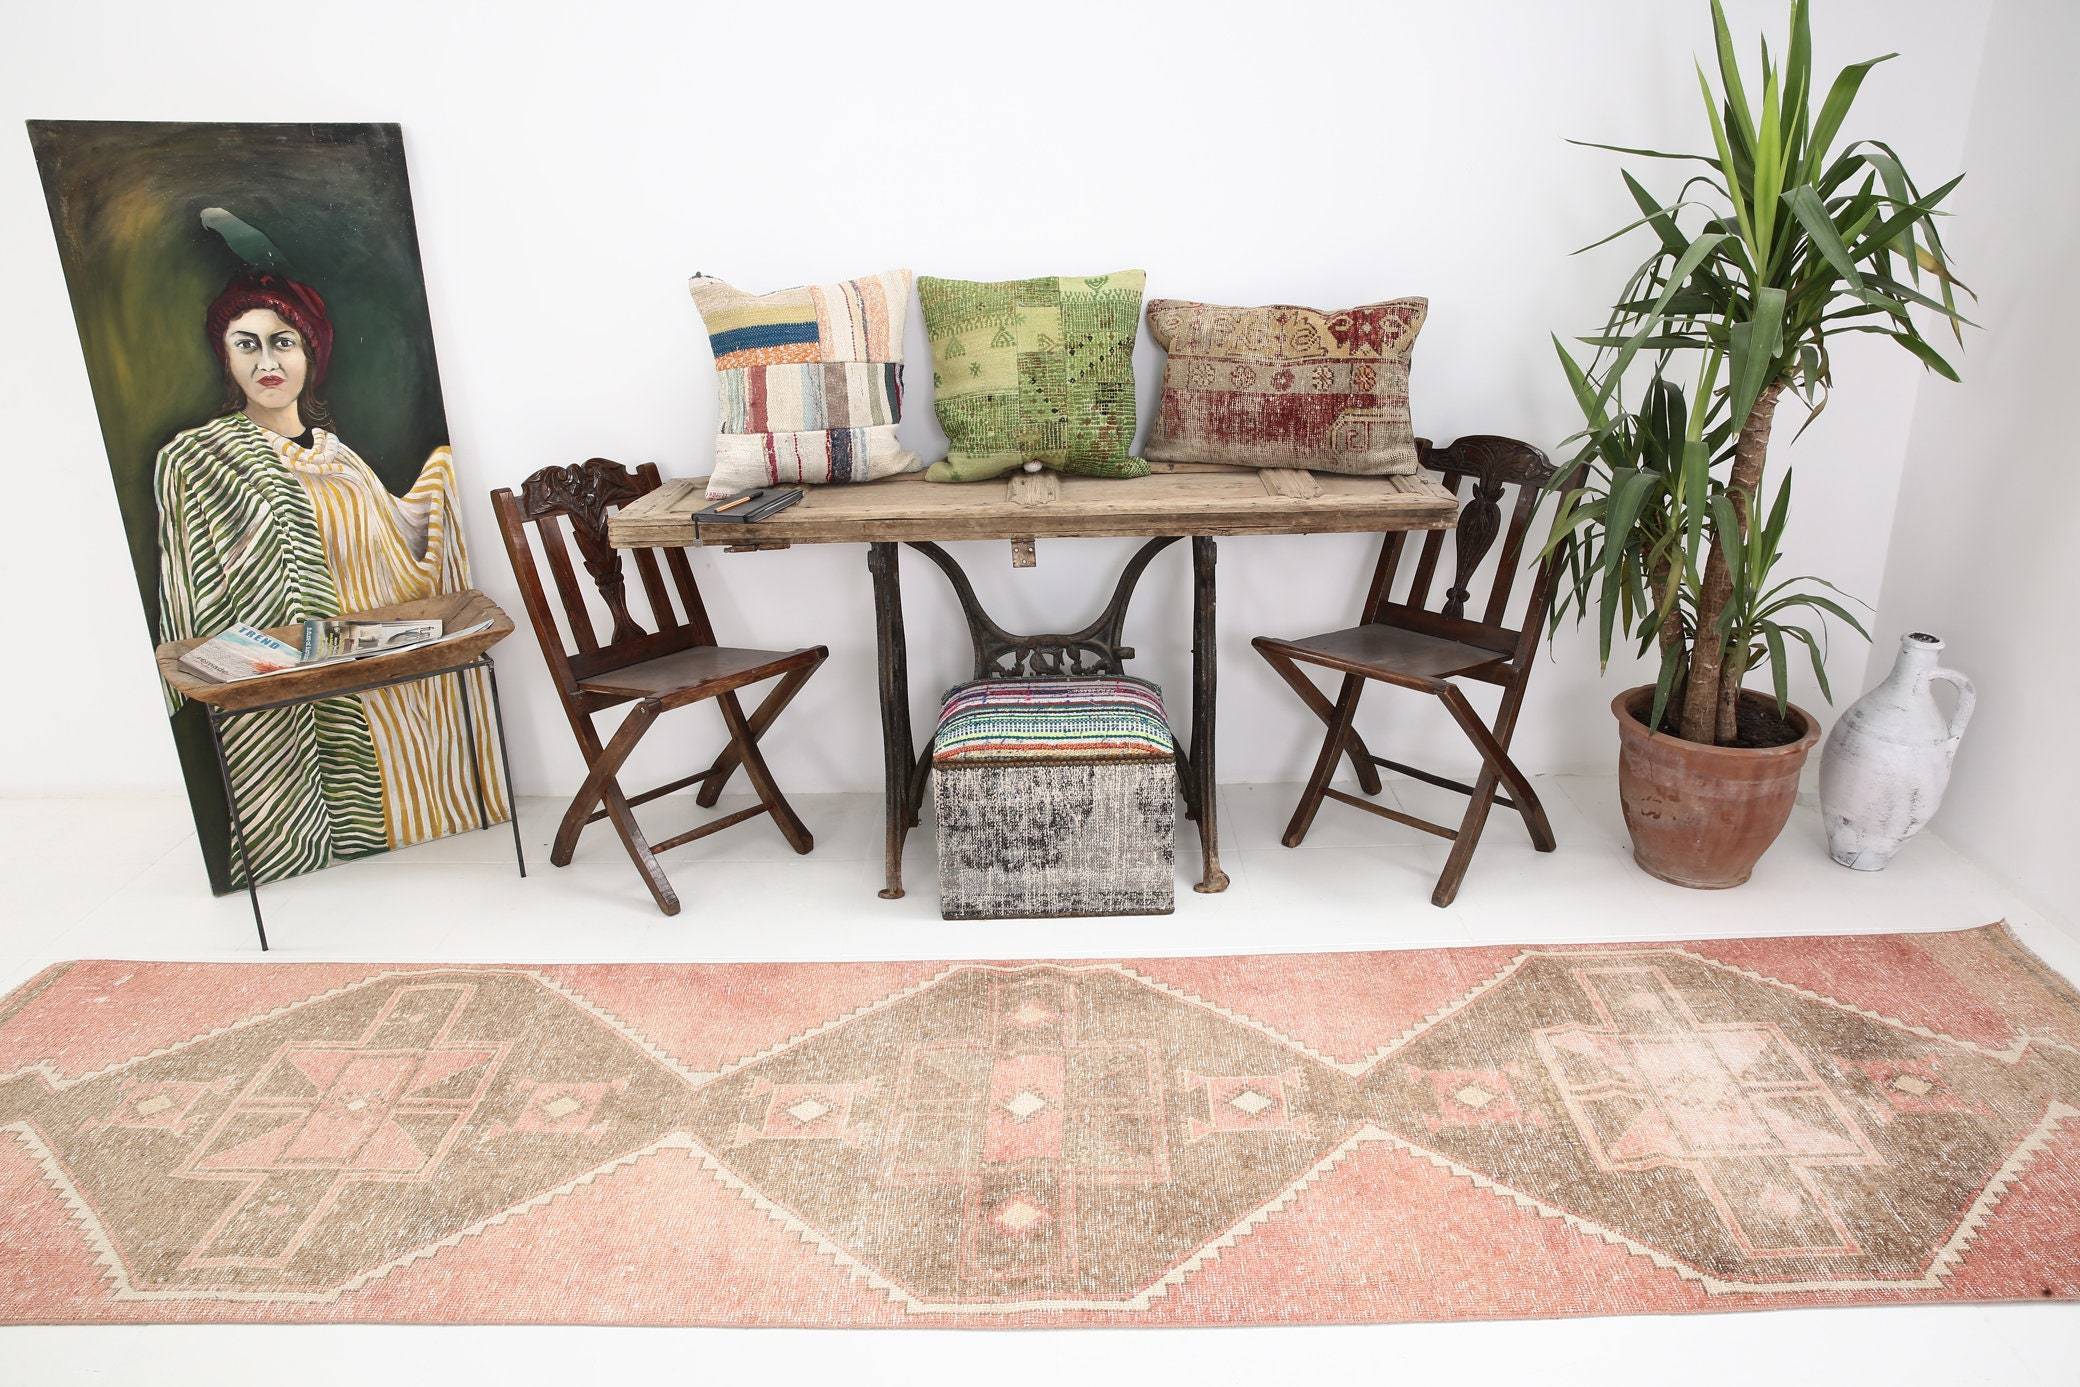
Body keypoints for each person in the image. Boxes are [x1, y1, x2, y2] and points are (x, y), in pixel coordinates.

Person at [156, 267, 507, 885]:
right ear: (226, 356)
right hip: (281, 672)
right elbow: (191, 577)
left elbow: (398, 543)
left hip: (365, 667)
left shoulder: (337, 454)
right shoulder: (198, 456)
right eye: (248, 343)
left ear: (310, 353)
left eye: (283, 341)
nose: (267, 360)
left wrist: (444, 478)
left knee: (389, 781)